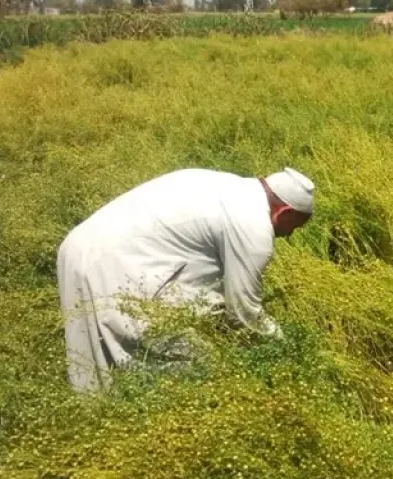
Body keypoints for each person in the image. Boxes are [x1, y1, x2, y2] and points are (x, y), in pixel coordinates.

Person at [56, 167, 315, 393]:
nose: (290, 234)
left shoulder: (227, 185)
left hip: (78, 246)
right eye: (294, 227)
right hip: (113, 265)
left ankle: (97, 427)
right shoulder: (255, 226)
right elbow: (244, 314)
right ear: (284, 212)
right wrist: (290, 348)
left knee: (90, 367)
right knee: (202, 365)